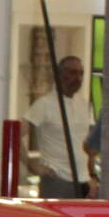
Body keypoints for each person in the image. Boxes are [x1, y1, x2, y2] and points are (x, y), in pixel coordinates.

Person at [24, 55, 95, 197]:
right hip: (57, 180)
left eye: (81, 73)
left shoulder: (85, 105)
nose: (78, 78)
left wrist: (92, 175)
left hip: (83, 180)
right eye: (73, 73)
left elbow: (89, 142)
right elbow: (16, 134)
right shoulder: (44, 104)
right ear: (60, 75)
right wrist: (32, 165)